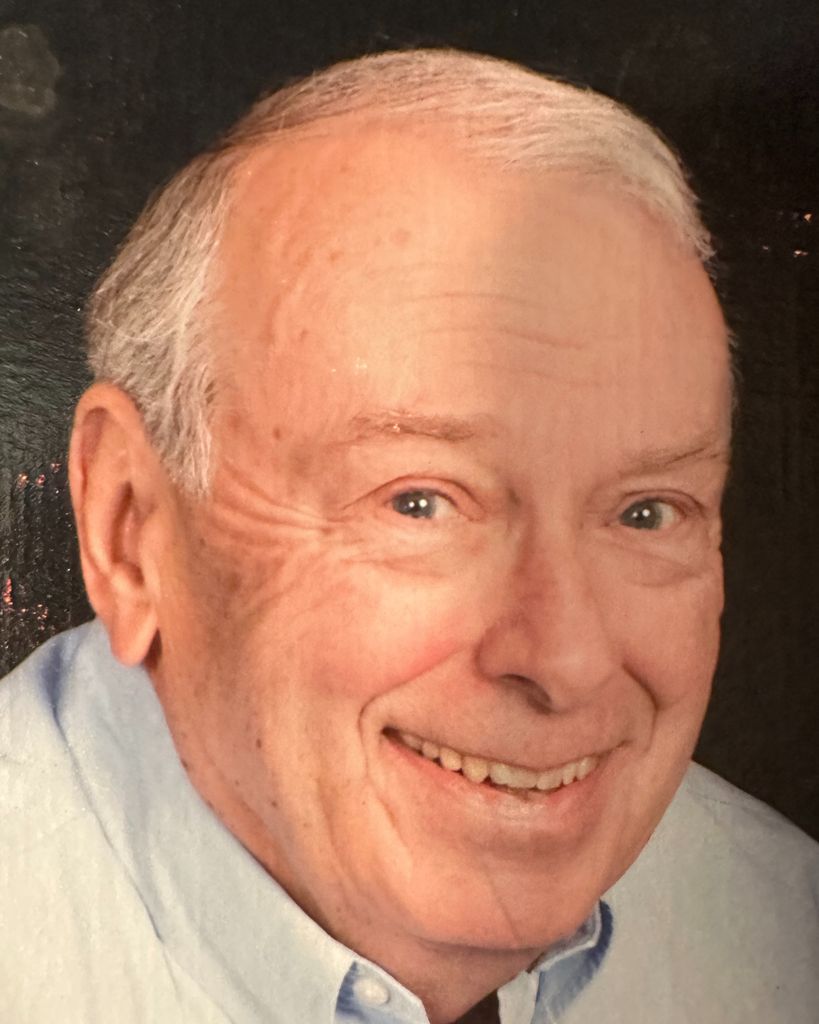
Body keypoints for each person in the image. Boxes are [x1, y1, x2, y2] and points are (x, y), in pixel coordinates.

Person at [1, 47, 817, 1024]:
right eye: (420, 503)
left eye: (645, 512)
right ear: (131, 527)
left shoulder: (786, 930)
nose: (564, 662)